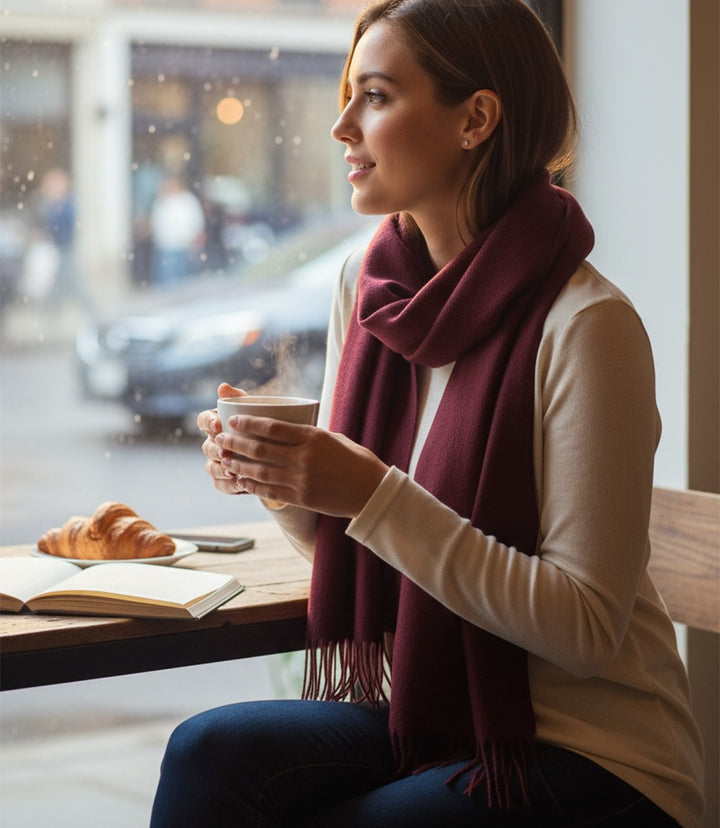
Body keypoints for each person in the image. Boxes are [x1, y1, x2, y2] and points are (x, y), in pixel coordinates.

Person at [150, 1, 704, 825]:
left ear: (475, 119)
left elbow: (584, 629)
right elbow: (360, 543)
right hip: (440, 713)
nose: (341, 126)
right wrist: (283, 480)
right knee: (207, 752)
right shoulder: (369, 289)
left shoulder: (587, 326)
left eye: (374, 96)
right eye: (348, 94)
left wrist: (370, 492)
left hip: (598, 750)